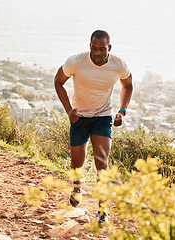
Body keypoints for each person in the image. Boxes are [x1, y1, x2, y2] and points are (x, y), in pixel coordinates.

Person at [54, 30, 133, 224]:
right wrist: (69, 110)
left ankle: (102, 211)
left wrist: (122, 111)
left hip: (103, 117)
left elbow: (128, 85)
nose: (97, 53)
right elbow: (58, 82)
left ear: (109, 48)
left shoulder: (118, 65)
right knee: (77, 164)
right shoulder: (76, 61)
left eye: (102, 49)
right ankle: (77, 187)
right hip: (79, 117)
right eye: (94, 48)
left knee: (102, 163)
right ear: (89, 46)